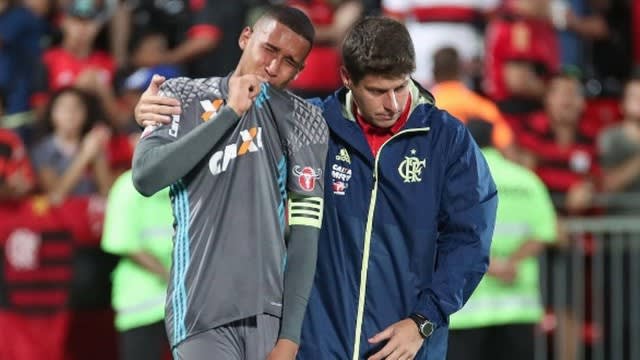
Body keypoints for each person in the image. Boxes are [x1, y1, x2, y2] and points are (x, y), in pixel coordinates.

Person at [136, 15, 497, 360]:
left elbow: (470, 241)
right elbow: (228, 110)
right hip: (317, 345)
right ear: (347, 79)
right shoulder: (306, 124)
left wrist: (423, 322)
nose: (392, 104)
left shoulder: (446, 140)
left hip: (405, 346)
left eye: (400, 87)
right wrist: (153, 109)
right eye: (376, 91)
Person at [132, 5, 328, 360]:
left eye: (288, 61)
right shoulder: (182, 94)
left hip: (268, 315)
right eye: (269, 49)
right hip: (200, 308)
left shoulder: (307, 121)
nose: (272, 67)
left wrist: (290, 337)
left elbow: (305, 233)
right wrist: (230, 113)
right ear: (245, 38)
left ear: (299, 72)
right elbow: (146, 177)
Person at [447, 119, 557, 360]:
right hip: (518, 309)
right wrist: (511, 263)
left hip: (467, 311)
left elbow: (447, 233)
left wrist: (488, 264)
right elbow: (546, 231)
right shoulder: (526, 179)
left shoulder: (456, 179)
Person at [101, 169, 173, 360]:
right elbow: (124, 242)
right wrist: (171, 275)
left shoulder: (182, 183)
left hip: (183, 301)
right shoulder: (127, 187)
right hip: (141, 303)